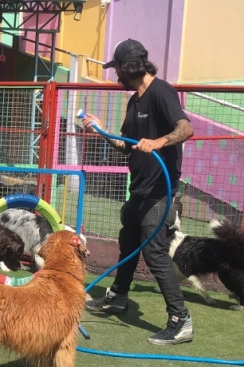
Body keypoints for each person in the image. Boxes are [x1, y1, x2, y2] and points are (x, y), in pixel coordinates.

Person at [82, 39, 195, 345]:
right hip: (140, 187)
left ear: (128, 66)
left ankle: (180, 319)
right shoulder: (134, 101)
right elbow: (126, 145)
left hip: (160, 189)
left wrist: (158, 142)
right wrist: (102, 130)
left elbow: (186, 129)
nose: (114, 72)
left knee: (153, 251)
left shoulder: (161, 92)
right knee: (129, 240)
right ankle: (118, 296)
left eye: (116, 67)